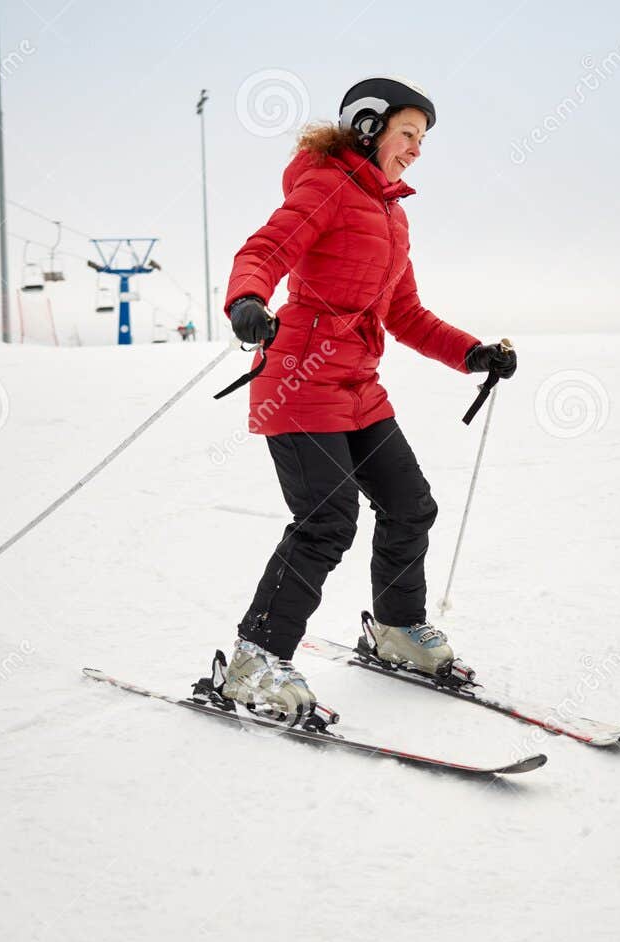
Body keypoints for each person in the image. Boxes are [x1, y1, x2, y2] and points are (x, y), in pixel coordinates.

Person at [217, 76, 517, 721]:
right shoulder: (324, 186)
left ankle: (397, 628)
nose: (416, 148)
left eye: (423, 139)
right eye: (408, 133)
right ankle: (254, 660)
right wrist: (247, 300)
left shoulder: (391, 213)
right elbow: (266, 248)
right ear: (369, 125)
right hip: (298, 381)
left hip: (359, 387)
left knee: (411, 506)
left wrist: (472, 353)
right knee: (328, 522)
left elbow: (404, 312)